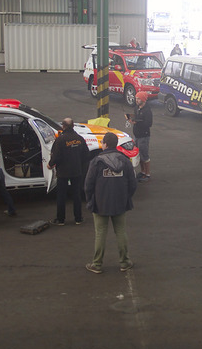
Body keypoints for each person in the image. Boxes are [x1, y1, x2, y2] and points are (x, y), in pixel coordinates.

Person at [84, 132, 138, 274]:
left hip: (100, 202)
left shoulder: (96, 162)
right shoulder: (125, 161)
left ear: (105, 144)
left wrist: (90, 200)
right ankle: (125, 262)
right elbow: (133, 183)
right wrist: (126, 197)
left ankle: (97, 264)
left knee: (100, 233)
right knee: (120, 231)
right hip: (120, 202)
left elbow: (88, 185)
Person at [48, 118, 89, 226]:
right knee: (76, 195)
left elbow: (56, 156)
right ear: (73, 126)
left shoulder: (60, 140)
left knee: (61, 196)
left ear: (63, 126)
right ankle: (78, 218)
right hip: (76, 171)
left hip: (63, 172)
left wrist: (50, 164)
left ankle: (61, 219)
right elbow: (86, 155)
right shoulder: (80, 139)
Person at [126, 91, 152, 182]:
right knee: (139, 154)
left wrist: (137, 122)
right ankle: (143, 172)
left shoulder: (147, 111)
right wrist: (131, 118)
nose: (136, 100)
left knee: (144, 155)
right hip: (137, 135)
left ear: (143, 100)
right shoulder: (136, 108)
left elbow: (149, 124)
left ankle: (147, 174)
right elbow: (137, 117)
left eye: (138, 98)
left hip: (143, 136)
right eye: (136, 98)